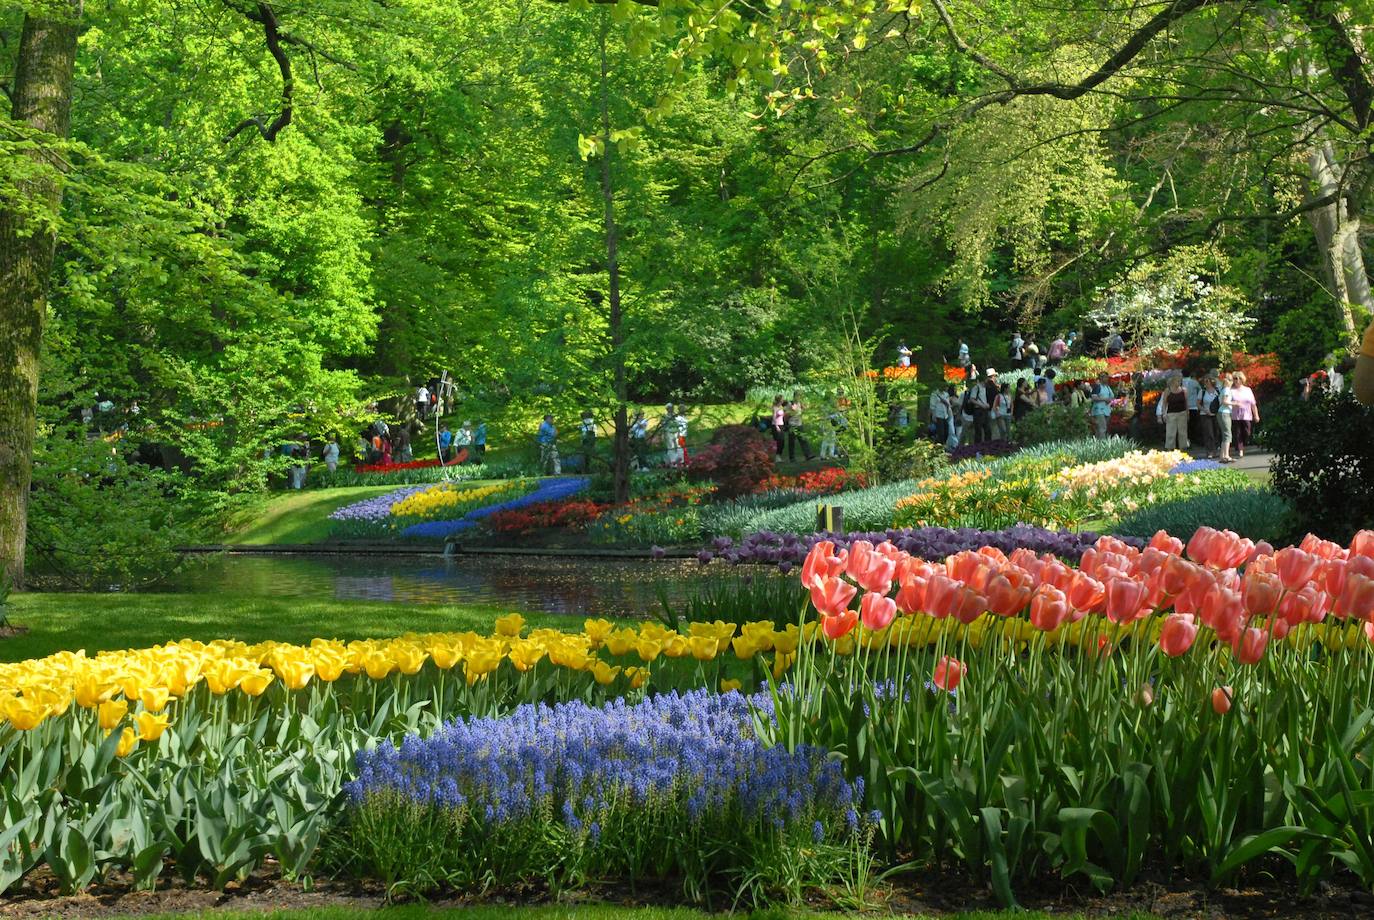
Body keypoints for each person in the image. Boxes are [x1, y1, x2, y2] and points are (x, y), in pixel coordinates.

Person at [1229, 371, 1259, 459]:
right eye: (1234, 379)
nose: (1236, 380)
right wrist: (1233, 403)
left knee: (1247, 432)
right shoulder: (1231, 391)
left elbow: (1253, 404)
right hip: (1235, 415)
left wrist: (1256, 415)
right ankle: (1240, 450)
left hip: (1247, 415)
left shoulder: (1248, 390)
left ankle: (1243, 444)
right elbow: (1226, 401)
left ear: (1242, 380)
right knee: (1237, 433)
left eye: (1238, 378)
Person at [1157, 373, 1190, 450]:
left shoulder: (1184, 390)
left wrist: (1188, 413)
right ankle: (1170, 448)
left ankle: (1183, 447)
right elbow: (1164, 403)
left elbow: (1186, 402)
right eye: (1177, 381)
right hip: (1171, 413)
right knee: (1170, 432)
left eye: (1180, 381)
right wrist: (1163, 414)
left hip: (1182, 413)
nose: (1179, 383)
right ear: (1173, 381)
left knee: (1182, 432)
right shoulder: (1168, 390)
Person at [786, 393, 814, 461]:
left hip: (799, 424)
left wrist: (806, 408)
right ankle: (792, 457)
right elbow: (786, 414)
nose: (799, 398)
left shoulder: (800, 403)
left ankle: (808, 455)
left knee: (803, 439)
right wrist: (792, 411)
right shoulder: (790, 403)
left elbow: (804, 410)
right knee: (792, 442)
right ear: (794, 396)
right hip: (792, 424)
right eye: (798, 396)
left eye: (800, 396)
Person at [1199, 375, 1221, 458]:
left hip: (1216, 414)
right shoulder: (1202, 391)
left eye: (1207, 381)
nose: (1206, 383)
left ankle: (1215, 450)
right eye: (1205, 381)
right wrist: (1205, 410)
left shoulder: (1217, 391)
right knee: (1208, 433)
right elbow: (1198, 403)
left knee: (1216, 432)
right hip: (1205, 414)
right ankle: (1210, 451)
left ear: (1212, 382)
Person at [1089, 372, 1114, 439]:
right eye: (1104, 377)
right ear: (1101, 378)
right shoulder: (1097, 387)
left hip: (1107, 410)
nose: (1106, 378)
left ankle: (1098, 443)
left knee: (1101, 428)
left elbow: (1112, 397)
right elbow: (1093, 397)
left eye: (1106, 377)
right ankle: (1102, 444)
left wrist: (1110, 400)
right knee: (1102, 428)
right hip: (1099, 410)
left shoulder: (1108, 387)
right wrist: (1104, 399)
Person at [1217, 375, 1234, 463]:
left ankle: (1222, 456)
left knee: (1225, 434)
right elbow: (1225, 401)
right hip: (1225, 413)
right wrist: (1235, 404)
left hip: (1222, 413)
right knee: (1227, 434)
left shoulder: (1223, 389)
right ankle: (1226, 455)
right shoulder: (1227, 389)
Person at [1183, 369, 1203, 444]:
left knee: (1185, 425)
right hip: (1194, 405)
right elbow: (1200, 390)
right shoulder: (1194, 382)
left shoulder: (1180, 382)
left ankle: (1187, 440)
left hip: (1184, 406)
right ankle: (1194, 439)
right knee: (1194, 424)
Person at [1128, 372, 1145, 442]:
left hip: (1138, 407)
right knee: (1134, 424)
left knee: (1136, 424)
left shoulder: (1138, 386)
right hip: (1134, 407)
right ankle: (1134, 440)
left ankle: (1136, 439)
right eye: (1140, 378)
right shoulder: (1133, 387)